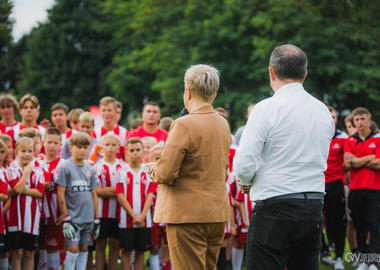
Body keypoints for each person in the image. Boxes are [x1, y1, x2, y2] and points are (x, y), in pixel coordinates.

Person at [233, 44, 335, 270]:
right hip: (313, 205)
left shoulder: (267, 108)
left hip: (275, 205)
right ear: (304, 74)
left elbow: (243, 162)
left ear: (271, 72)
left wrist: (248, 180)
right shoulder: (322, 111)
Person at [147, 64, 231, 269]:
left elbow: (166, 174)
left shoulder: (183, 124)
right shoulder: (223, 123)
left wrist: (152, 167)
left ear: (187, 91)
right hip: (216, 213)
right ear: (214, 94)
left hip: (187, 215)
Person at [56, 132, 101, 270]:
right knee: (73, 248)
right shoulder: (65, 167)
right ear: (70, 148)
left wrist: (96, 219)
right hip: (73, 218)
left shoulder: (89, 169)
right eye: (79, 147)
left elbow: (94, 194)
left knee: (84, 248)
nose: (82, 150)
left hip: (88, 218)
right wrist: (66, 217)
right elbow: (60, 193)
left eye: (85, 147)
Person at [344, 107, 380, 270]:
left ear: (368, 119)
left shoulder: (378, 138)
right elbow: (347, 164)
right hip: (356, 189)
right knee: (359, 226)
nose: (359, 122)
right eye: (356, 119)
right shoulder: (350, 141)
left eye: (362, 118)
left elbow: (379, 164)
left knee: (373, 224)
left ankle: (372, 261)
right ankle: (364, 260)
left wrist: (356, 160)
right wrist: (370, 157)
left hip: (375, 188)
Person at [116, 137, 155, 270]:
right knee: (126, 251)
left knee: (140, 250)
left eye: (138, 150)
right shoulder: (121, 172)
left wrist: (142, 216)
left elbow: (150, 194)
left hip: (145, 219)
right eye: (131, 150)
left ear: (143, 151)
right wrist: (134, 216)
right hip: (127, 220)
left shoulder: (148, 171)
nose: (135, 153)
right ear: (126, 152)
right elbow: (120, 196)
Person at [7, 137, 45, 270]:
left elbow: (40, 193)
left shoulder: (39, 171)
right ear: (16, 152)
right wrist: (26, 172)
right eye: (23, 151)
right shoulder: (12, 170)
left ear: (34, 152)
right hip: (15, 219)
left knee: (30, 253)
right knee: (17, 252)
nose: (27, 154)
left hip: (32, 220)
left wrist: (22, 190)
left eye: (30, 151)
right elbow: (17, 189)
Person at [93, 134, 126, 270]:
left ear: (118, 148)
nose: (111, 148)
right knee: (100, 244)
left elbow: (125, 191)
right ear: (102, 147)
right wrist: (117, 192)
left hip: (118, 212)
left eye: (113, 145)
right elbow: (98, 191)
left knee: (115, 244)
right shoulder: (97, 167)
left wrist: (111, 191)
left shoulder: (123, 167)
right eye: (107, 144)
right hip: (101, 212)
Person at [322, 106, 348, 270]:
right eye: (328, 116)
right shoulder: (316, 135)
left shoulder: (343, 137)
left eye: (334, 117)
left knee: (337, 222)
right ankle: (324, 252)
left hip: (336, 185)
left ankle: (338, 256)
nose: (331, 119)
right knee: (313, 223)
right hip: (316, 184)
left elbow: (348, 162)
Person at [42, 127, 66, 270]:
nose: (52, 145)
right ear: (43, 143)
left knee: (53, 245)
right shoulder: (37, 162)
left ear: (60, 145)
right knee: (39, 246)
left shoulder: (63, 164)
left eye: (55, 143)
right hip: (38, 212)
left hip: (55, 212)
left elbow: (67, 191)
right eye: (49, 142)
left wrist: (64, 213)